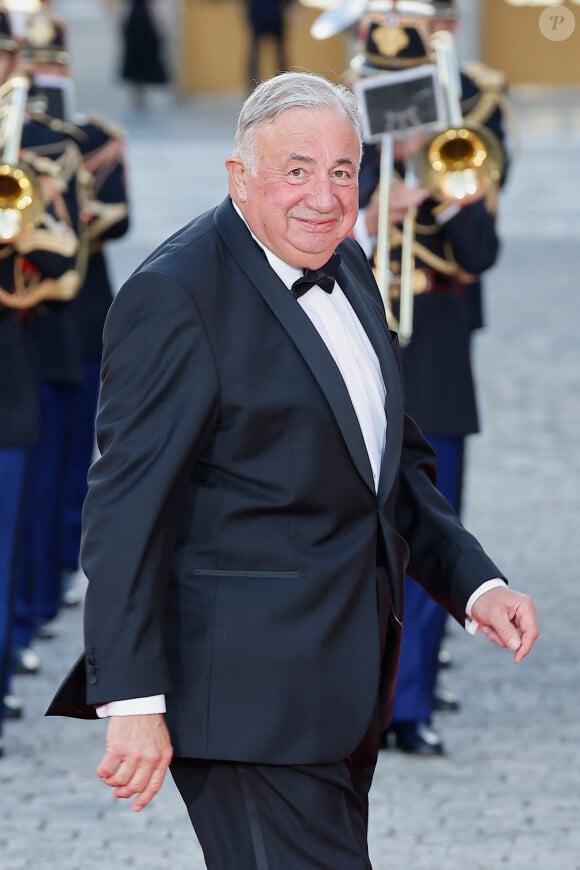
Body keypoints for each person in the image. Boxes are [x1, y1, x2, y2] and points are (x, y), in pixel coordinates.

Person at [47, 71, 538, 868]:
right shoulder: (176, 296)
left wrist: (474, 582)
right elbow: (125, 509)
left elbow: (391, 462)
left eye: (342, 171)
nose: (324, 195)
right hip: (242, 702)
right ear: (240, 178)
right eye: (296, 169)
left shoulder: (349, 267)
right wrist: (131, 700)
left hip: (338, 691)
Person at [349, 0, 512, 755]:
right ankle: (351, 694)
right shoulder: (337, 136)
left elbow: (479, 254)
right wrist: (373, 217)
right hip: (353, 346)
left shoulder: (465, 130)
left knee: (431, 530)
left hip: (436, 351)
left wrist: (442, 191)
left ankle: (407, 705)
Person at [0, 5, 85, 753]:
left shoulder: (40, 149)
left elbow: (66, 262)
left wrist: (39, 206)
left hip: (9, 370)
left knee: (6, 537)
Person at [114, 0, 169, 109]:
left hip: (145, 26)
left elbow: (155, 8)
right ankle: (138, 95)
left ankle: (141, 94)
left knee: (145, 61)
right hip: (135, 25)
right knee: (136, 62)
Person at [245, 0, 292, 92]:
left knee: (280, 54)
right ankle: (252, 88)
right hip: (259, 11)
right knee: (255, 54)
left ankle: (284, 85)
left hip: (276, 13)